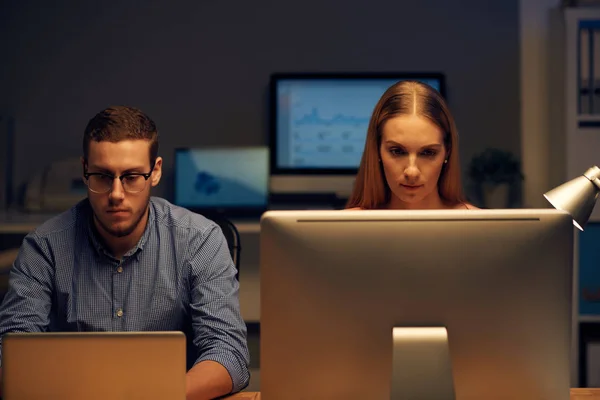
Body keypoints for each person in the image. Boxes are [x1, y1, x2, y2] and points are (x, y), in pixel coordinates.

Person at [0, 106, 250, 399]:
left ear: (154, 172)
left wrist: (158, 395)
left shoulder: (200, 240)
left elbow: (228, 353)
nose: (116, 194)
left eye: (131, 177)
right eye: (103, 176)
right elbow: (11, 353)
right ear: (84, 171)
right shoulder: (44, 247)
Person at [346, 80, 477, 210]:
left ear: (447, 151)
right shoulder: (343, 227)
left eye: (428, 153)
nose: (412, 172)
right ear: (377, 150)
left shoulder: (479, 225)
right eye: (397, 151)